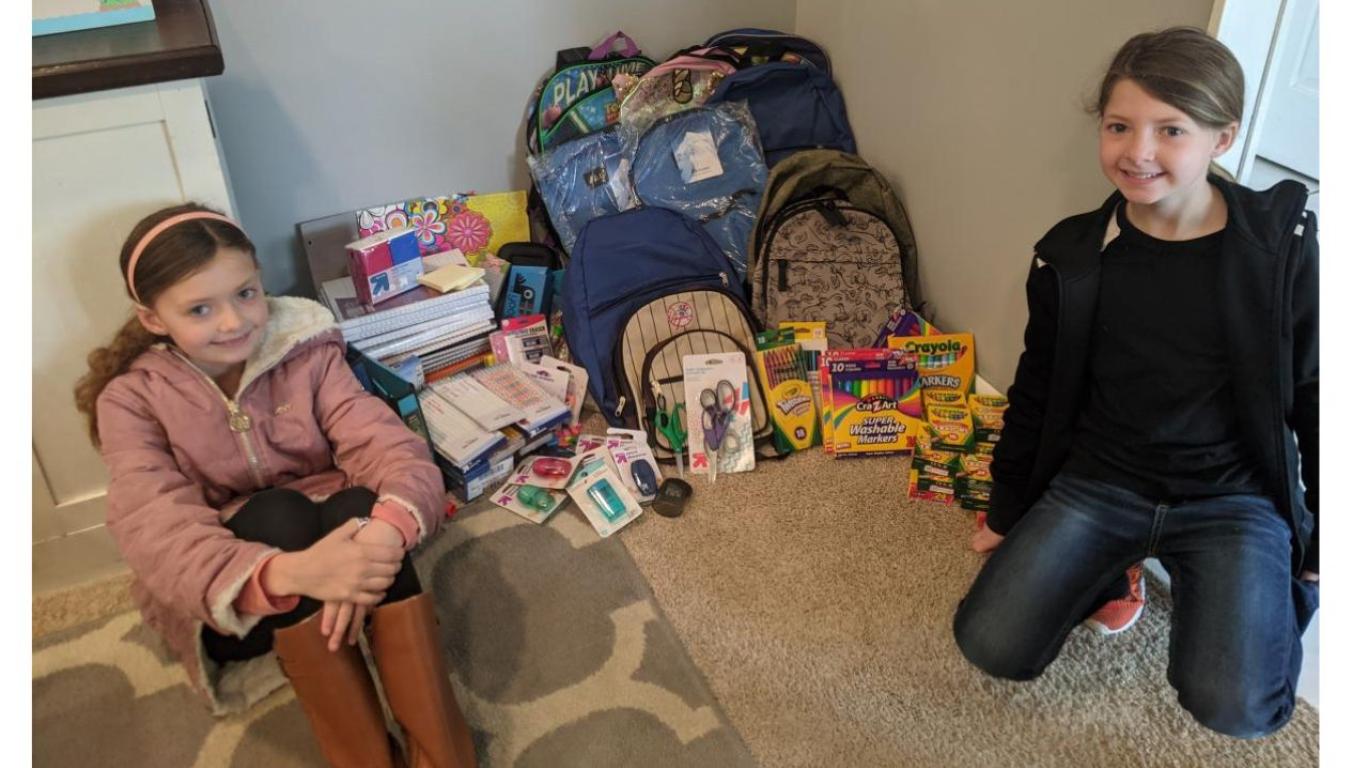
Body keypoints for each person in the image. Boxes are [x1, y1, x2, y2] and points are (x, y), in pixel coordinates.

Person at [952, 27, 1319, 738]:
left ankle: (1254, 596)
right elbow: (1035, 391)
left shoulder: (1278, 255)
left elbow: (1316, 394)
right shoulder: (1075, 257)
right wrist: (1006, 509)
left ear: (1222, 138)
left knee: (1239, 708)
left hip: (1231, 498)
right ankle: (1111, 570)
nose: (1137, 151)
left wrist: (1319, 550)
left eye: (1170, 129)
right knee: (991, 643)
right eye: (1119, 126)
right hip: (1101, 481)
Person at [73, 203, 478, 767]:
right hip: (239, 599)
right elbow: (153, 526)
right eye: (200, 308)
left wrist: (385, 532)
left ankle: (446, 756)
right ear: (153, 320)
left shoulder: (304, 349)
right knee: (276, 516)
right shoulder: (132, 400)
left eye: (245, 293)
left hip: (342, 553)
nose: (235, 322)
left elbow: (381, 441)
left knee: (364, 507)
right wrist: (287, 573)